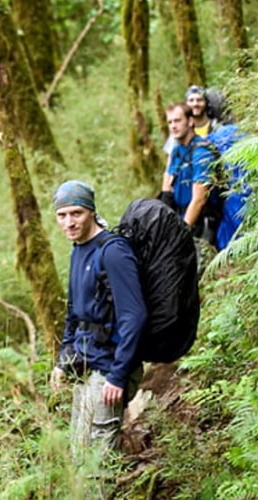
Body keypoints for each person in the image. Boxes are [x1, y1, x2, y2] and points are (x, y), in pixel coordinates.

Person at [48, 180, 147, 462]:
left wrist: (118, 375)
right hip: (85, 363)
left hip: (109, 369)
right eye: (62, 215)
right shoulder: (78, 249)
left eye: (76, 213)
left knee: (97, 463)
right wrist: (62, 360)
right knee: (80, 455)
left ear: (91, 211)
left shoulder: (113, 251)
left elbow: (134, 315)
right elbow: (74, 312)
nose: (69, 222)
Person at [160, 103, 220, 246]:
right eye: (170, 122)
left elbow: (199, 200)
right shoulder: (176, 150)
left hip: (201, 223)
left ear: (190, 121)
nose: (173, 126)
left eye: (178, 120)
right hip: (179, 218)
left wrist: (183, 233)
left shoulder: (202, 152)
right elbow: (167, 185)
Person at [162, 85, 225, 157]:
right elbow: (171, 159)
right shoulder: (180, 130)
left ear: (206, 103)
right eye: (191, 100)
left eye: (199, 100)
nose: (195, 104)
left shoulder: (217, 127)